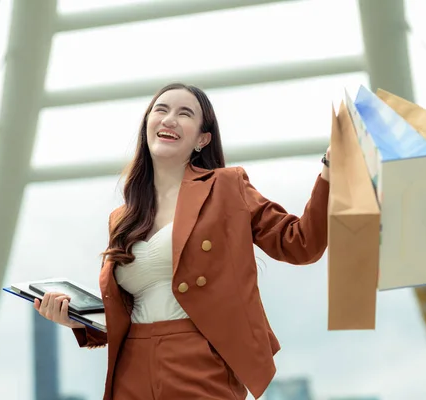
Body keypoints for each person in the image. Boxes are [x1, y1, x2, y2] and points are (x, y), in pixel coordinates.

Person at [34, 82, 331, 400]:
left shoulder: (226, 188)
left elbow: (300, 244)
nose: (169, 119)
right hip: (130, 368)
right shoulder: (122, 217)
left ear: (203, 139)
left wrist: (331, 170)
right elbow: (128, 311)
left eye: (184, 113)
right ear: (147, 125)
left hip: (200, 362)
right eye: (160, 110)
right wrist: (76, 320)